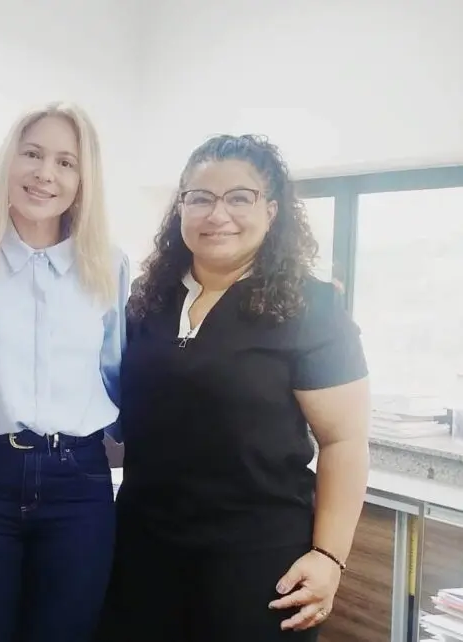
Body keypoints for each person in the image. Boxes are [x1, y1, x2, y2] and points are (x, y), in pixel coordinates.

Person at [101, 134, 371, 641]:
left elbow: (345, 440)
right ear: (180, 208)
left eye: (239, 198)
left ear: (271, 210)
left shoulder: (311, 308)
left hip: (256, 562)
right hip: (142, 551)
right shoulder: (148, 300)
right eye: (200, 198)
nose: (217, 214)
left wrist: (329, 555)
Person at [0, 102, 129, 642]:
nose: (45, 173)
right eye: (32, 154)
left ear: (83, 179)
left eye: (66, 162)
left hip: (79, 481)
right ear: (9, 161)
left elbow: (116, 368)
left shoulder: (108, 263)